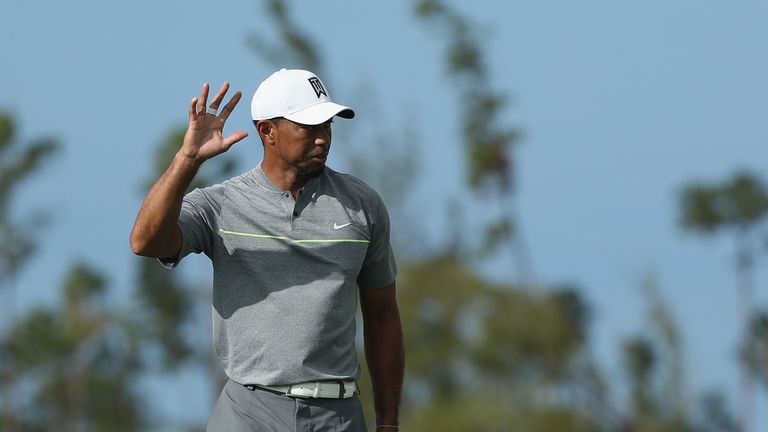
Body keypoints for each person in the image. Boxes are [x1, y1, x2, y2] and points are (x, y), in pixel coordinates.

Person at [130, 68, 404, 431]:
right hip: (248, 412)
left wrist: (388, 422)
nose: (322, 139)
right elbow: (144, 242)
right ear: (268, 131)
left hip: (337, 415)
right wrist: (188, 160)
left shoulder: (362, 206)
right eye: (309, 127)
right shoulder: (221, 205)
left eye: (328, 126)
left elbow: (383, 317)